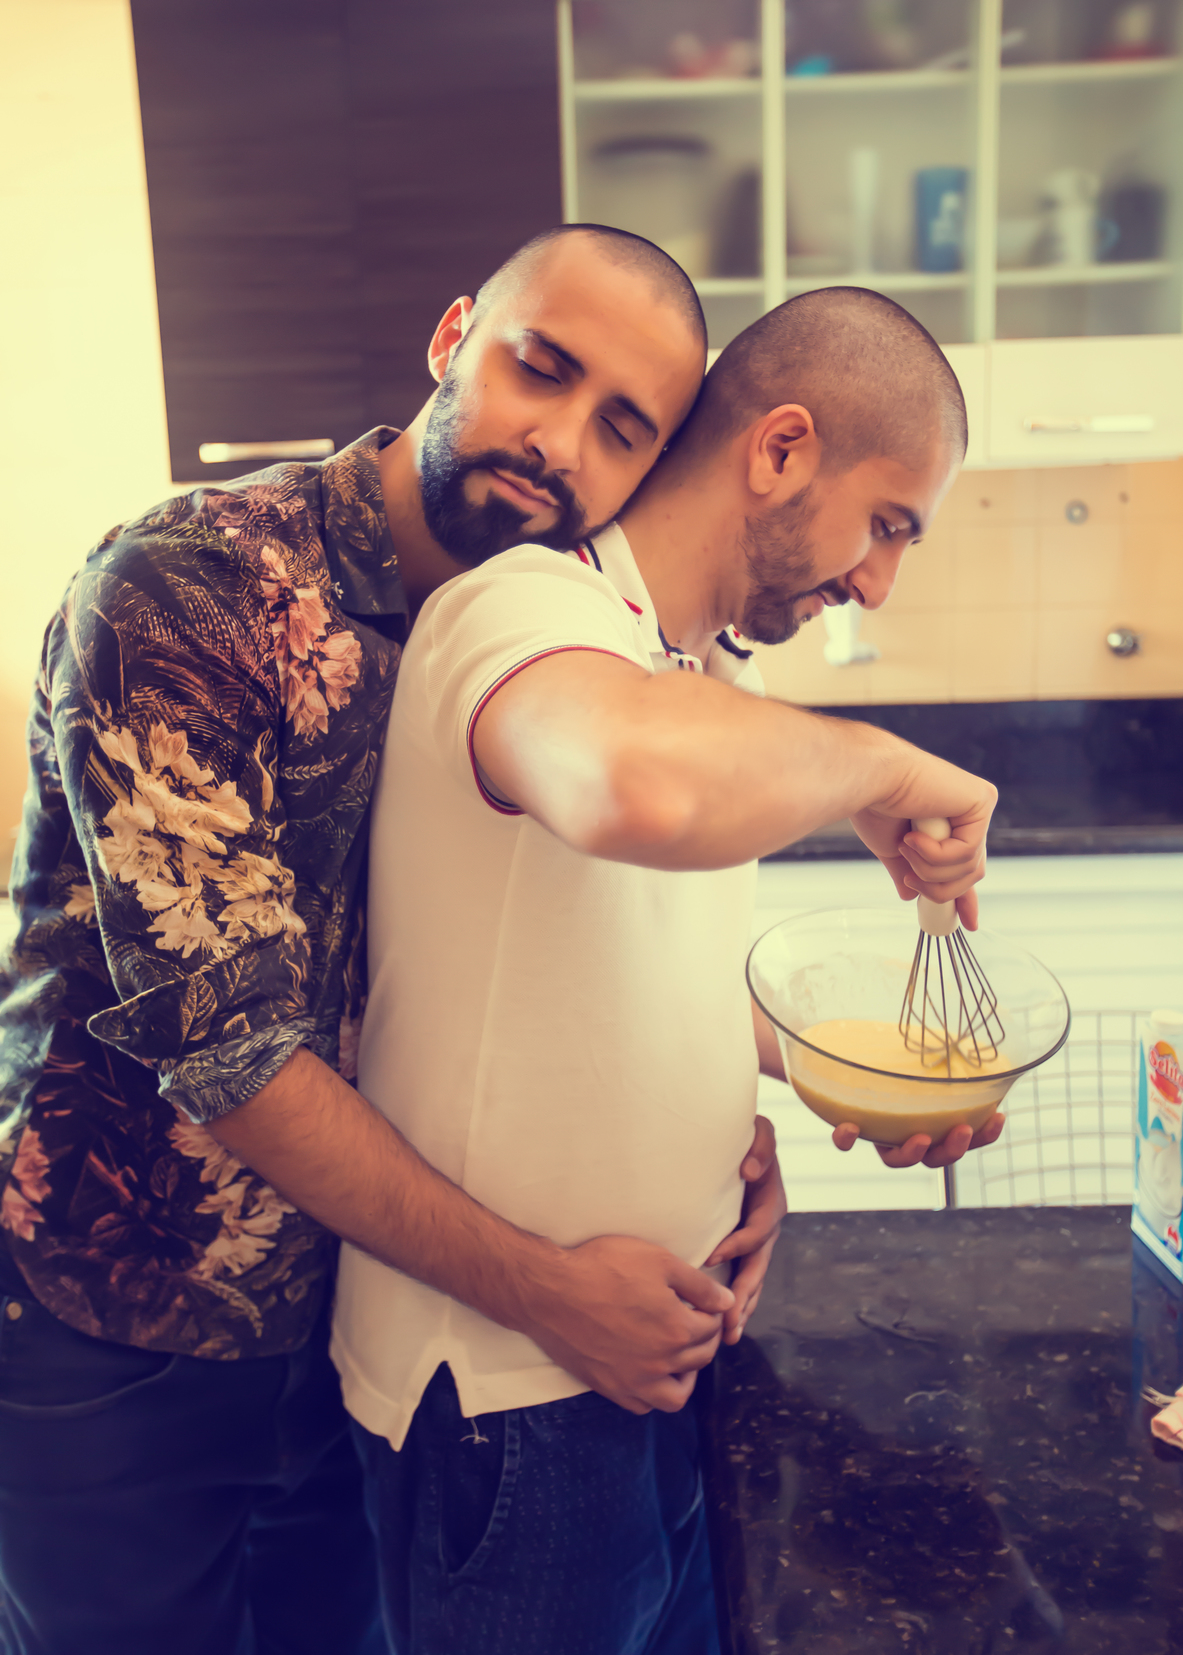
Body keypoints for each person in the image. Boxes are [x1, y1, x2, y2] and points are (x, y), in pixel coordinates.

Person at [0, 226, 789, 1655]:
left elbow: (572, 958)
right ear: (452, 337)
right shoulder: (192, 588)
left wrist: (720, 1140)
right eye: (537, 370)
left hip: (363, 1310)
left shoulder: (555, 642)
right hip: (123, 1317)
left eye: (621, 428)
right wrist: (549, 1294)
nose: (556, 444)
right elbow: (227, 1054)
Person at [329, 283, 1005, 1655]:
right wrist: (877, 760)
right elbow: (623, 782)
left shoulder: (697, 677)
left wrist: (823, 1084)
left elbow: (635, 970)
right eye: (888, 525)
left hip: (662, 1365)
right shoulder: (523, 608)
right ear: (782, 450)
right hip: (508, 1405)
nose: (878, 582)